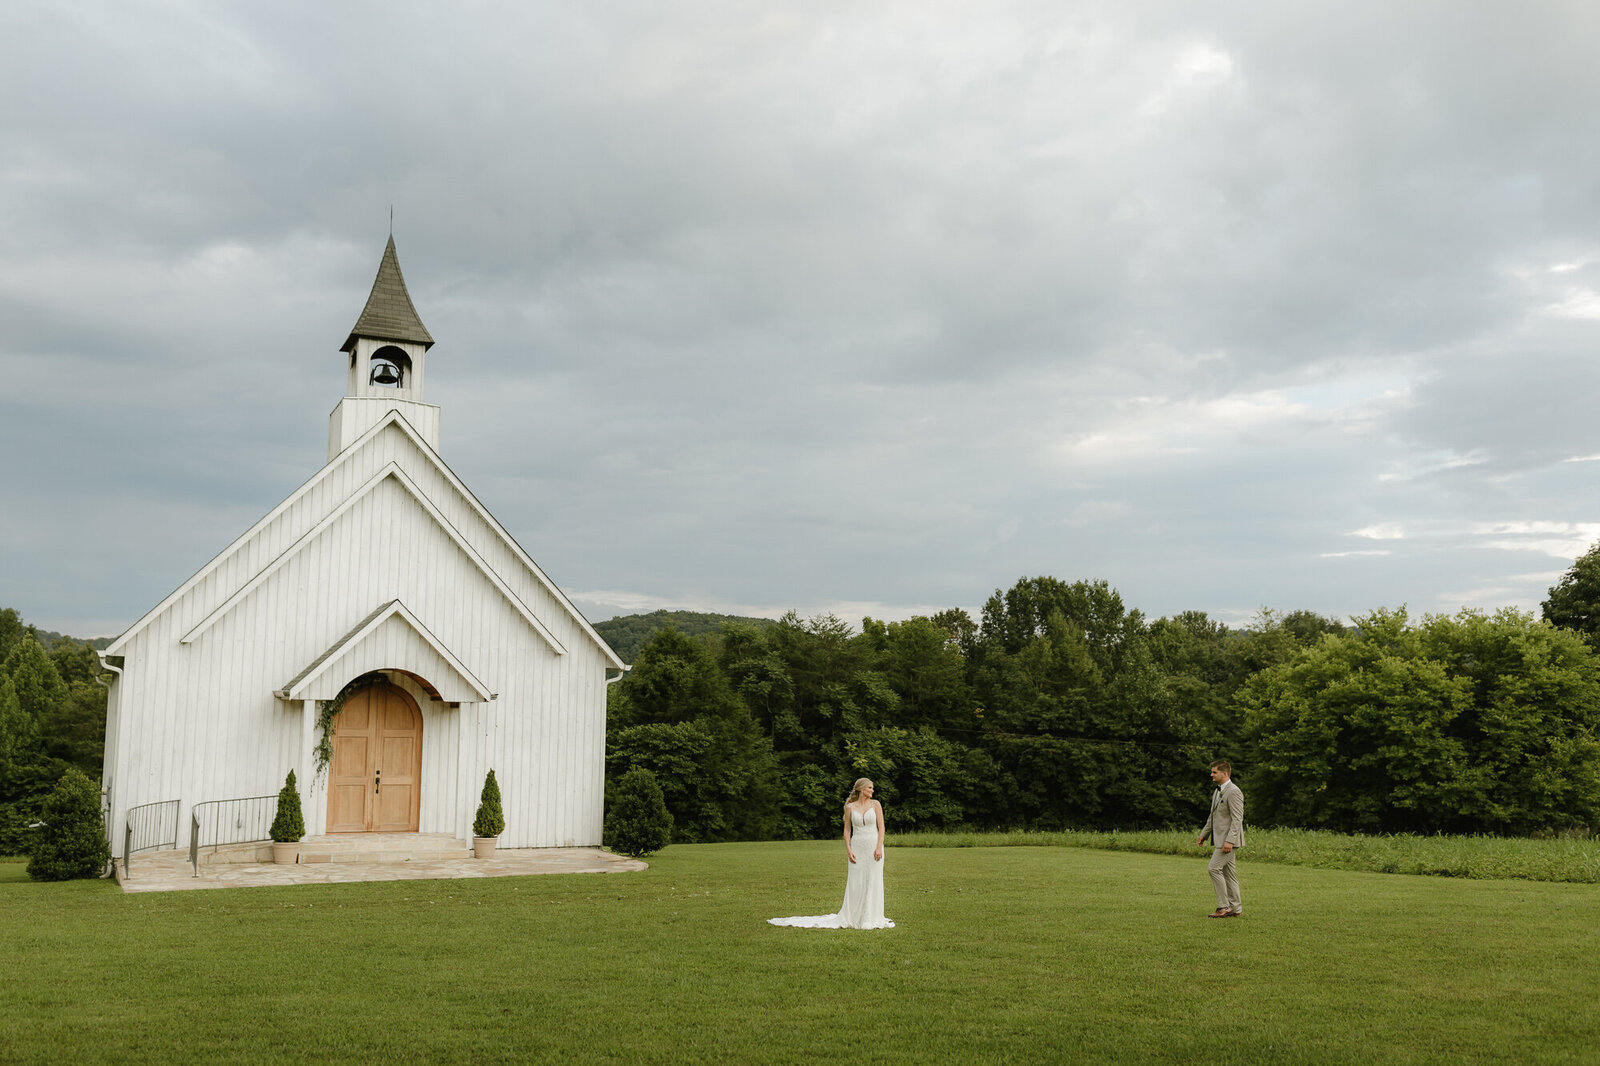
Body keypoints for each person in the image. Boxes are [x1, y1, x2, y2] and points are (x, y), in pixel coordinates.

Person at [768, 778, 894, 930]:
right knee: (856, 882)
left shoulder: (876, 804)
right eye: (869, 787)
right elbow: (847, 830)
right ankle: (854, 916)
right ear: (861, 789)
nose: (872, 790)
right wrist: (849, 850)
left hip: (874, 847)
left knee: (873, 880)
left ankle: (871, 917)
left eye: (872, 788)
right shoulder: (849, 807)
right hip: (857, 847)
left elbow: (882, 827)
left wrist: (879, 847)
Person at [1197, 760, 1244, 917]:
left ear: (1225, 773)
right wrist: (1204, 834)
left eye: (1214, 772)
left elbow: (1237, 819)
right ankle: (1236, 909)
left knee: (1213, 868)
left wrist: (1230, 841)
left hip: (1229, 841)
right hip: (1220, 840)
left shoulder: (1234, 792)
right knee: (1229, 874)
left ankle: (1223, 907)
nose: (1211, 774)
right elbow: (1213, 817)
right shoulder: (1217, 792)